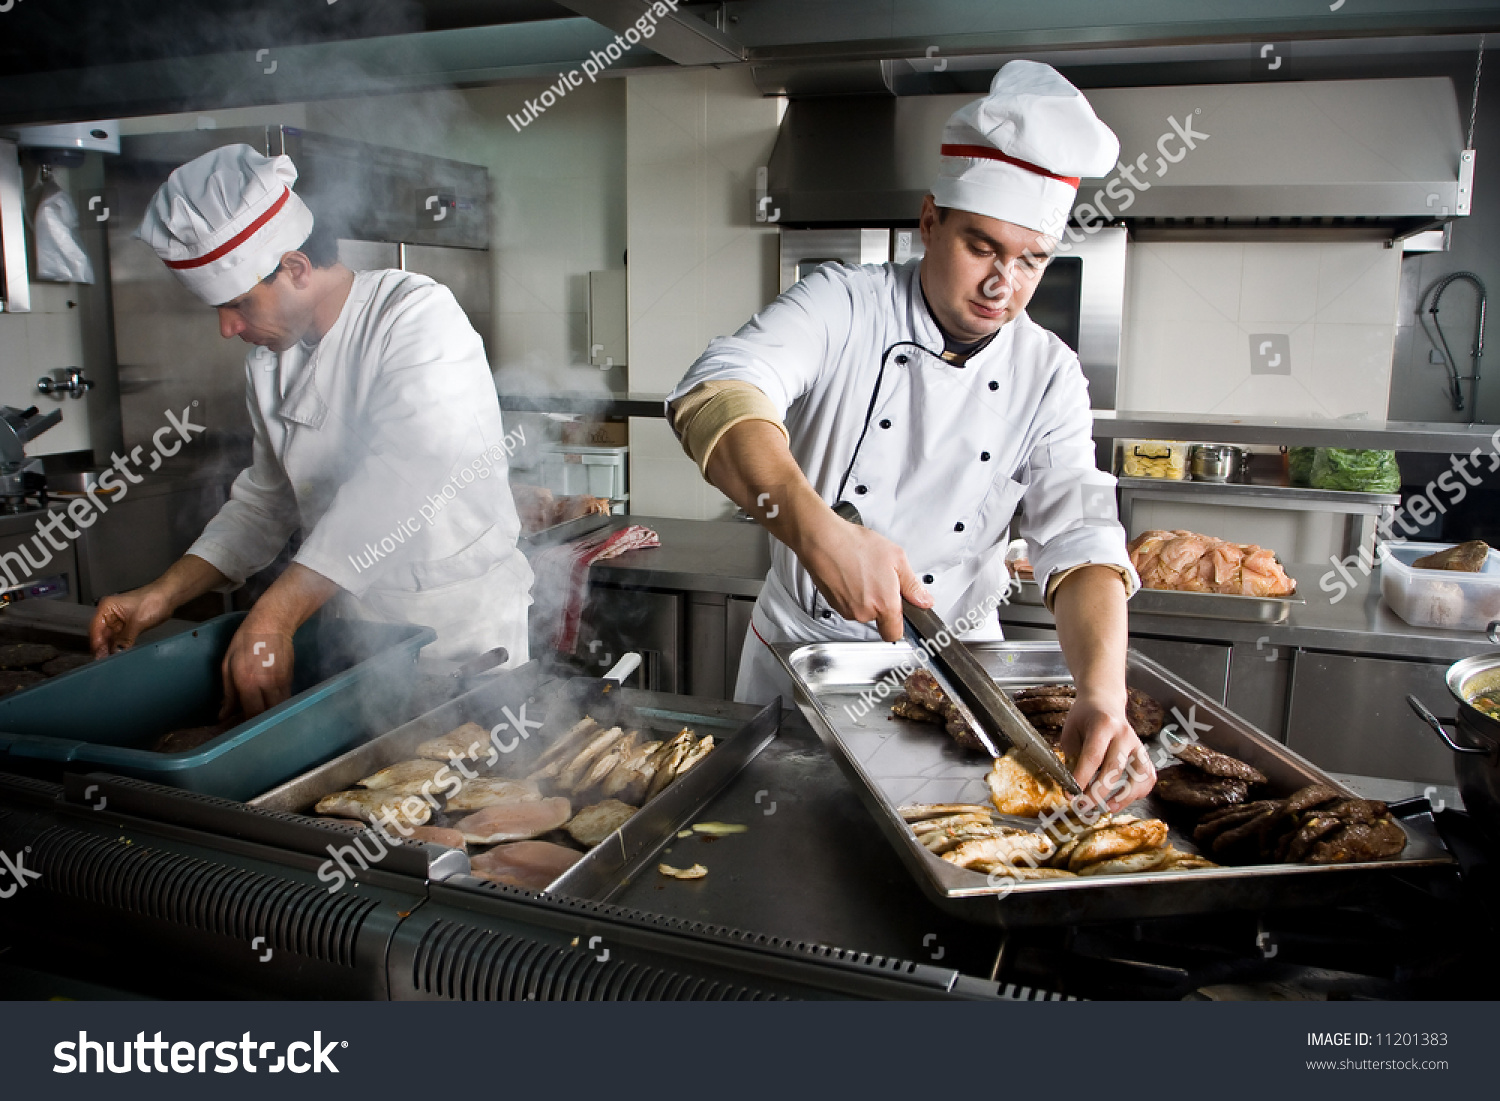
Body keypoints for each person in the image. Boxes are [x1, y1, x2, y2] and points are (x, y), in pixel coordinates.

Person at [667, 62, 1152, 809]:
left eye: (1031, 260)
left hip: (953, 680)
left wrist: (1103, 692)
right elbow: (715, 391)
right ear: (930, 221)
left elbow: (1081, 537)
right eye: (983, 247)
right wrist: (819, 532)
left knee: (946, 848)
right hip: (804, 661)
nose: (1004, 286)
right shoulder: (843, 304)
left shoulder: (1049, 373)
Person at [89, 144, 532, 716]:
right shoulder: (270, 362)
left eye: (240, 304)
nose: (227, 328)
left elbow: (402, 484)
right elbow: (266, 503)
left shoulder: (416, 316)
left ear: (295, 268)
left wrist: (273, 616)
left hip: (459, 633)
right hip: (352, 635)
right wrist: (162, 595)